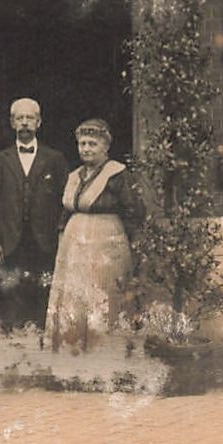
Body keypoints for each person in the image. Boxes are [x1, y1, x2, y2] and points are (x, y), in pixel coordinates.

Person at [46, 118, 147, 353]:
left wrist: (134, 244)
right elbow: (66, 211)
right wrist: (62, 235)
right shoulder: (75, 176)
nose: (86, 149)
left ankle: (105, 350)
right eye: (82, 144)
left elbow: (134, 210)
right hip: (75, 242)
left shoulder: (117, 174)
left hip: (107, 240)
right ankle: (73, 349)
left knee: (102, 293)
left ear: (105, 147)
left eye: (92, 144)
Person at [0, 97, 68, 332]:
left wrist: (62, 236)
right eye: (19, 118)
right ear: (12, 123)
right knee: (12, 291)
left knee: (43, 289)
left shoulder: (54, 158)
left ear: (39, 122)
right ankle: (16, 344)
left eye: (29, 118)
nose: (24, 123)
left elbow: (66, 201)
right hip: (11, 238)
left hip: (45, 239)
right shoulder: (1, 159)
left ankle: (43, 339)